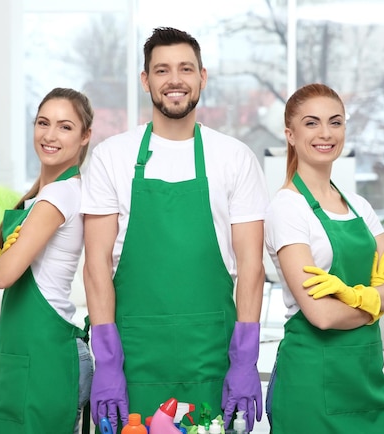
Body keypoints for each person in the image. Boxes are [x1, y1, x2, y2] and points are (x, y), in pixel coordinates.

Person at [81, 27, 268, 433]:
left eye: (185, 68)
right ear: (146, 81)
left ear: (203, 76)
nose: (175, 80)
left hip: (212, 357)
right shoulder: (111, 157)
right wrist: (108, 362)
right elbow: (96, 266)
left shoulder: (235, 158)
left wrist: (244, 360)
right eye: (162, 70)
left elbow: (252, 267)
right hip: (133, 358)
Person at [264, 83, 384, 433]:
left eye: (335, 122)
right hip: (312, 381)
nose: (325, 133)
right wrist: (379, 300)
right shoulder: (287, 207)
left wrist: (357, 297)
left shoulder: (358, 206)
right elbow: (320, 315)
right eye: (311, 123)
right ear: (290, 134)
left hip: (367, 378)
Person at [0, 87, 94, 434]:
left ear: (86, 136)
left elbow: (4, 275)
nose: (50, 135)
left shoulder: (58, 194)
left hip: (44, 357)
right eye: (43, 123)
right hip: (33, 352)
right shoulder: (43, 194)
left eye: (65, 126)